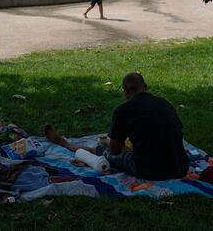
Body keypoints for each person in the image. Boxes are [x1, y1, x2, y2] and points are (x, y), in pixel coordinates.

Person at [45, 72, 188, 181]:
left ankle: (62, 142)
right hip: (180, 167)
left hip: (149, 170)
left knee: (101, 150)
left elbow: (114, 150)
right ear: (145, 87)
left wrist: (109, 141)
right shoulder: (165, 103)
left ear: (125, 91)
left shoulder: (124, 110)